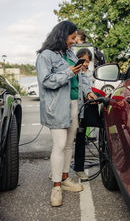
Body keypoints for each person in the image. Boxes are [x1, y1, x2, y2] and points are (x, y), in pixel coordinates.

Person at [36, 21, 97, 207]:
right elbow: (45, 81)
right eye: (72, 38)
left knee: (69, 144)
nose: (73, 42)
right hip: (56, 107)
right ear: (62, 36)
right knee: (60, 145)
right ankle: (56, 187)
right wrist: (68, 72)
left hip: (74, 104)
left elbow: (81, 76)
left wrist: (87, 91)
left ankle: (64, 178)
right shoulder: (45, 56)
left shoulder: (70, 53)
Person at [73, 48, 105, 180]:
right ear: (78, 58)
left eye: (88, 61)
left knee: (80, 140)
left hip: (84, 110)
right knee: (64, 143)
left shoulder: (90, 73)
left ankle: (79, 169)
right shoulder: (74, 72)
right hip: (72, 108)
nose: (86, 64)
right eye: (84, 61)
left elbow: (89, 88)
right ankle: (57, 170)